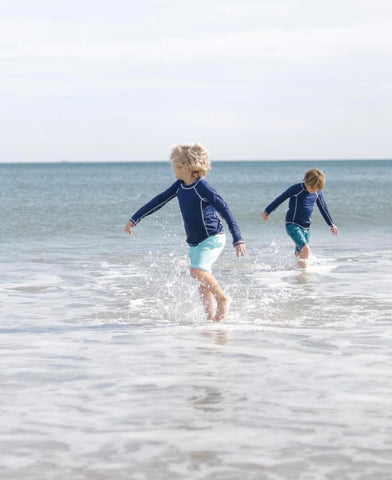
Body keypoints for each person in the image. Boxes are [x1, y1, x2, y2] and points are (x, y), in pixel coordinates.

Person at [125, 143, 246, 321]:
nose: (172, 167)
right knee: (202, 281)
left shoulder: (202, 187)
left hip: (212, 238)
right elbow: (159, 200)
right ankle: (210, 319)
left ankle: (222, 298)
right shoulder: (180, 186)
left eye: (174, 164)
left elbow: (225, 209)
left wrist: (238, 238)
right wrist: (135, 218)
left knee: (196, 271)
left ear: (186, 167)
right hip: (195, 242)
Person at [261, 168, 338, 268]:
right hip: (292, 224)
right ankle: (304, 277)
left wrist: (331, 224)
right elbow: (281, 198)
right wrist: (267, 211)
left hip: (306, 228)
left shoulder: (317, 192)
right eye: (312, 188)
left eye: (316, 189)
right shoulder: (296, 189)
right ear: (306, 181)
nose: (313, 191)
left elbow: (323, 208)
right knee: (306, 249)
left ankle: (296, 276)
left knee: (299, 254)